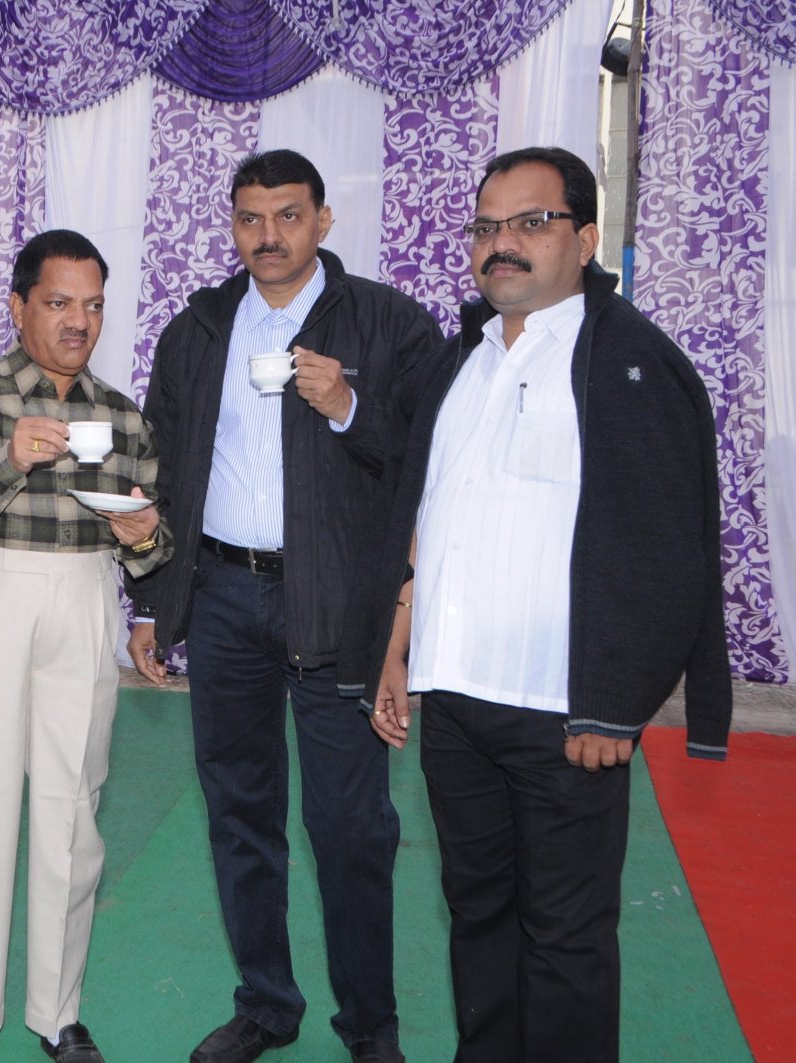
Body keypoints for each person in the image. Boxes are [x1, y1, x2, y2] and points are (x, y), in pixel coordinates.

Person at [354, 146, 732, 1063]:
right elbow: (424, 513)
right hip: (456, 700)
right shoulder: (463, 360)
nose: (503, 243)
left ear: (586, 239)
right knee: (477, 911)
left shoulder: (629, 362)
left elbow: (669, 550)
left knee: (565, 936)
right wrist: (397, 647)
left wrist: (615, 704)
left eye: (531, 222)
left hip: (564, 712)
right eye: (487, 227)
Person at [127, 149, 442, 1063]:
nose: (268, 235)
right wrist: (149, 602)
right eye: (250, 218)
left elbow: (429, 463)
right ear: (233, 225)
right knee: (239, 810)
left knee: (351, 827)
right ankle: (266, 1004)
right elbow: (163, 471)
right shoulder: (199, 327)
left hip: (339, 601)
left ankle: (370, 1024)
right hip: (223, 594)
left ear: (323, 221)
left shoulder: (387, 321)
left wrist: (347, 404)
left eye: (289, 215)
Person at [0, 230, 174, 1063]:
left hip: (85, 597)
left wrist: (143, 535)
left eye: (92, 305)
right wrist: (6, 464)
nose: (78, 322)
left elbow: (152, 548)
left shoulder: (121, 415)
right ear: (18, 305)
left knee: (73, 811)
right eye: (59, 303)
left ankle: (58, 1013)